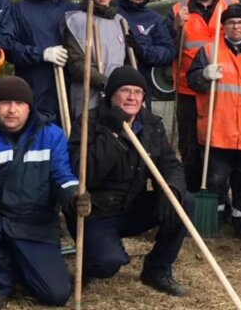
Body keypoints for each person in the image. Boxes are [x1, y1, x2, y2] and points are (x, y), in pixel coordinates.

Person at [0, 76, 88, 308]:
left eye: (19, 103)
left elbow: (62, 176)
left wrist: (74, 195)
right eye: (4, 103)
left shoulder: (51, 135)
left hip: (35, 224)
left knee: (55, 295)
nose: (12, 110)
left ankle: (18, 264)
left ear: (29, 107)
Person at [69, 66, 195, 296]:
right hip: (96, 212)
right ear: (111, 95)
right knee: (106, 264)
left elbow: (169, 162)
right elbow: (87, 171)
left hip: (131, 205)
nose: (131, 97)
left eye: (137, 92)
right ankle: (91, 258)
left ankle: (157, 270)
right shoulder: (89, 123)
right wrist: (113, 133)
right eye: (125, 91)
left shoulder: (150, 124)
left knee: (184, 202)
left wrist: (172, 190)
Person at [168, 0, 241, 194]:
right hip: (189, 88)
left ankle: (221, 199)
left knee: (221, 146)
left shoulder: (231, 5)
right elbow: (168, 47)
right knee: (190, 146)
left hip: (223, 88)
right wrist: (175, 28)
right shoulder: (179, 10)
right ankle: (193, 197)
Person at [186, 4, 241, 239]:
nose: (236, 27)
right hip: (217, 130)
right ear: (224, 27)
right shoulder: (209, 51)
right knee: (214, 181)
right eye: (231, 23)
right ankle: (214, 219)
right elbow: (192, 81)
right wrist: (203, 75)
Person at [0, 0, 77, 125]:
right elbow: (8, 46)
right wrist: (42, 54)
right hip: (33, 89)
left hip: (67, 91)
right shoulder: (20, 9)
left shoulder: (74, 11)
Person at [63, 0, 127, 119]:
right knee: (88, 133)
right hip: (87, 92)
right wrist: (105, 82)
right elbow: (76, 64)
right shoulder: (76, 21)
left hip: (116, 93)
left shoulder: (120, 22)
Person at [115, 0, 176, 108]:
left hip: (139, 85)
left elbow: (168, 51)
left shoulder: (154, 20)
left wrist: (142, 49)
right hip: (111, 81)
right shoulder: (111, 9)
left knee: (139, 126)